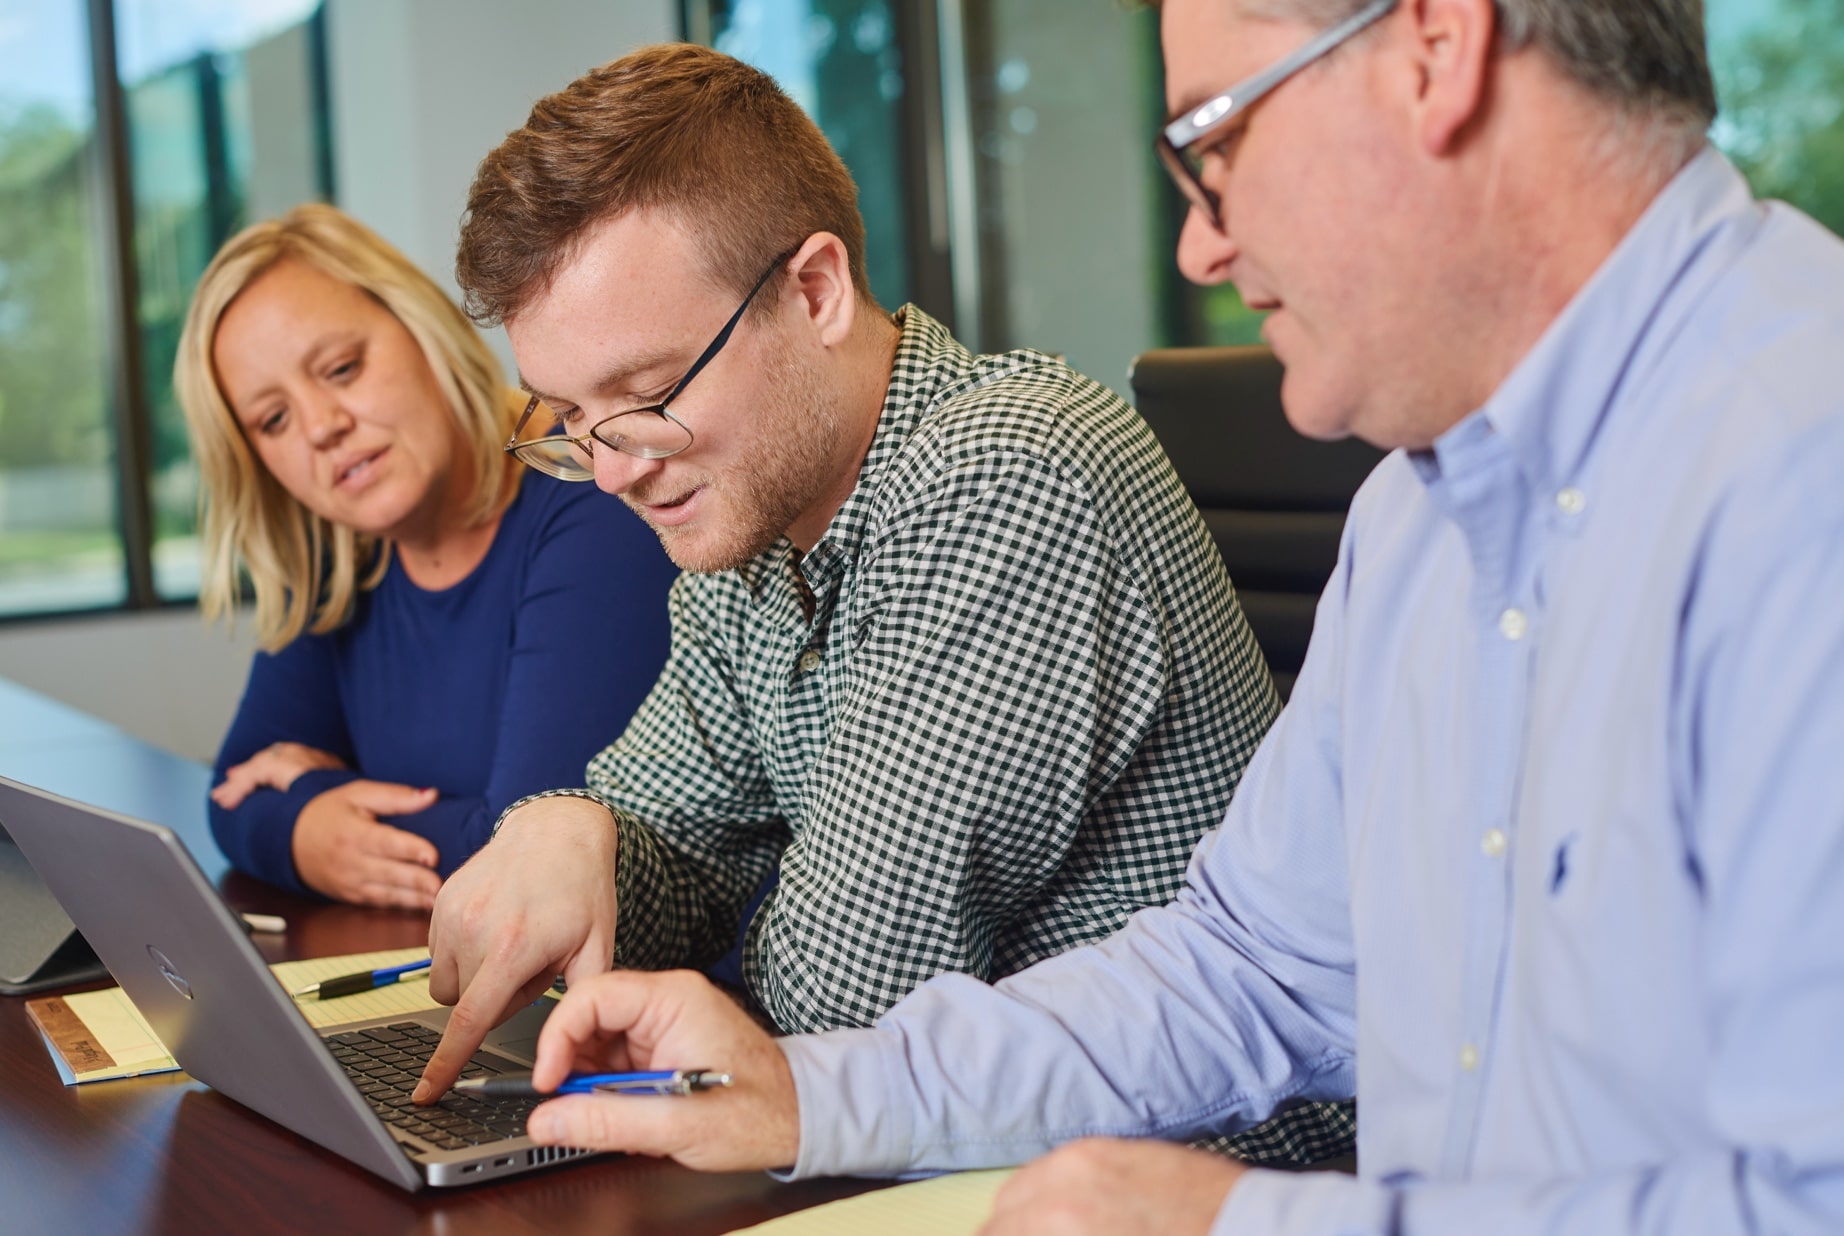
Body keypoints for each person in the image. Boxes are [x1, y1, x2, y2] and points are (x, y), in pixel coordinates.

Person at [488, 1, 1844, 1232]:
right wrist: (814, 1098)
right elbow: (1249, 973)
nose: (1199, 235)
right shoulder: (1418, 517)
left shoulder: (1802, 471)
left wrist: (1234, 1226)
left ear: (1438, 49)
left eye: (1215, 134)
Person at [408, 43, 1354, 1165]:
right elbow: (682, 855)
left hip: (1189, 1169)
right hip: (935, 1147)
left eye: (646, 394)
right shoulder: (745, 524)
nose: (612, 469)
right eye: (570, 415)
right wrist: (573, 829)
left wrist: (669, 882)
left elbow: (837, 995)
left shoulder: (1010, 471)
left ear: (814, 291)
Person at [176, 204, 677, 910]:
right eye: (274, 419)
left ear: (424, 328)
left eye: (342, 368)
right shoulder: (339, 566)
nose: (323, 427)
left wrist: (313, 800)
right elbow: (232, 795)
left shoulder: (591, 498)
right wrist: (303, 831)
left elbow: (527, 856)